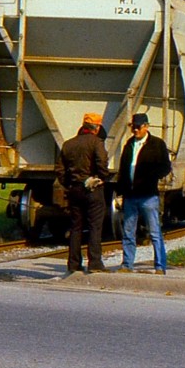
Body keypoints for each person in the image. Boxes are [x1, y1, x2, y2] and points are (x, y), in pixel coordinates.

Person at [116, 113, 172, 274]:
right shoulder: (129, 144)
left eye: (138, 127)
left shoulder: (157, 144)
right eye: (133, 127)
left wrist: (152, 177)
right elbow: (123, 170)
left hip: (148, 195)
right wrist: (120, 192)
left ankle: (160, 266)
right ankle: (127, 264)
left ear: (146, 126)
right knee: (128, 232)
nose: (135, 130)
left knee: (154, 232)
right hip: (130, 195)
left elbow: (166, 166)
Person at [55, 112, 111, 275]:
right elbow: (102, 162)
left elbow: (59, 169)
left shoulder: (68, 144)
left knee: (76, 227)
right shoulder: (96, 142)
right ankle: (95, 263)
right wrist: (102, 177)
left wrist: (68, 184)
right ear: (97, 127)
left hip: (74, 189)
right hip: (93, 188)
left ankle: (73, 264)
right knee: (95, 226)